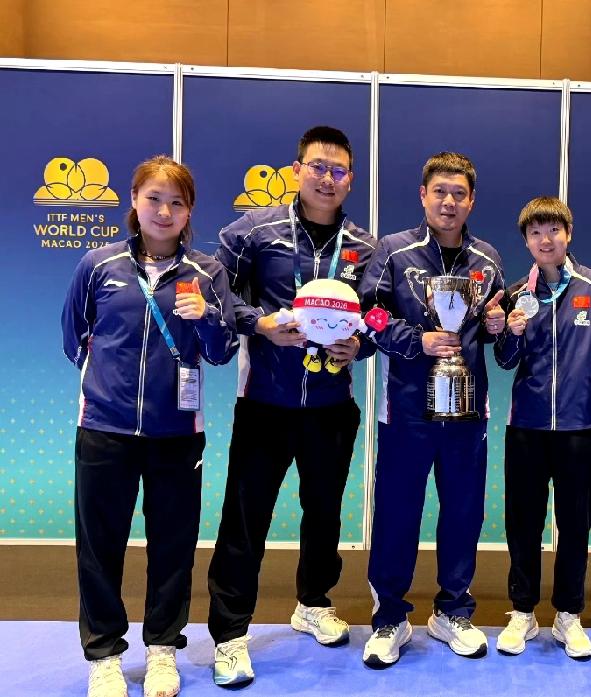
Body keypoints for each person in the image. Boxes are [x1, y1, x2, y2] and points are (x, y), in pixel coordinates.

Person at [62, 155, 237, 697]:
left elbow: (223, 350)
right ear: (134, 202)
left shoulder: (207, 273)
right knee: (99, 546)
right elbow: (74, 337)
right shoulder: (98, 264)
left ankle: (163, 649)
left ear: (189, 212)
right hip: (105, 430)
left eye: (176, 203)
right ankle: (105, 655)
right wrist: (107, 388)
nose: (164, 211)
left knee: (172, 545)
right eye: (154, 199)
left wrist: (207, 318)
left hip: (177, 434)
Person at [207, 126, 376, 686]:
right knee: (246, 517)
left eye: (338, 170)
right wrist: (259, 324)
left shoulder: (364, 247)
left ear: (350, 179)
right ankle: (230, 633)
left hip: (331, 405)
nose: (328, 178)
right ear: (297, 169)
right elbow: (218, 296)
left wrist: (360, 345)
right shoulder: (252, 233)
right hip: (266, 403)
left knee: (324, 512)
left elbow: (376, 317)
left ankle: (313, 602)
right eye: (318, 167)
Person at [357, 152, 506, 667]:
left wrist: (497, 326)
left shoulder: (487, 259)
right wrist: (415, 340)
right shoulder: (393, 252)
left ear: (471, 201)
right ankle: (390, 617)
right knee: (398, 512)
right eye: (440, 191)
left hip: (467, 410)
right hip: (406, 410)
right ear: (423, 195)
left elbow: (495, 322)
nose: (449, 202)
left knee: (463, 511)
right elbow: (370, 315)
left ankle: (453, 611)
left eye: (459, 193)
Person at [493, 196, 591, 660]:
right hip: (528, 426)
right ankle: (523, 611)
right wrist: (511, 332)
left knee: (576, 524)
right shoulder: (517, 292)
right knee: (523, 523)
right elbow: (504, 360)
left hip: (582, 427)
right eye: (536, 232)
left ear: (568, 234)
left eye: (553, 230)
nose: (545, 239)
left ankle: (568, 615)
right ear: (526, 241)